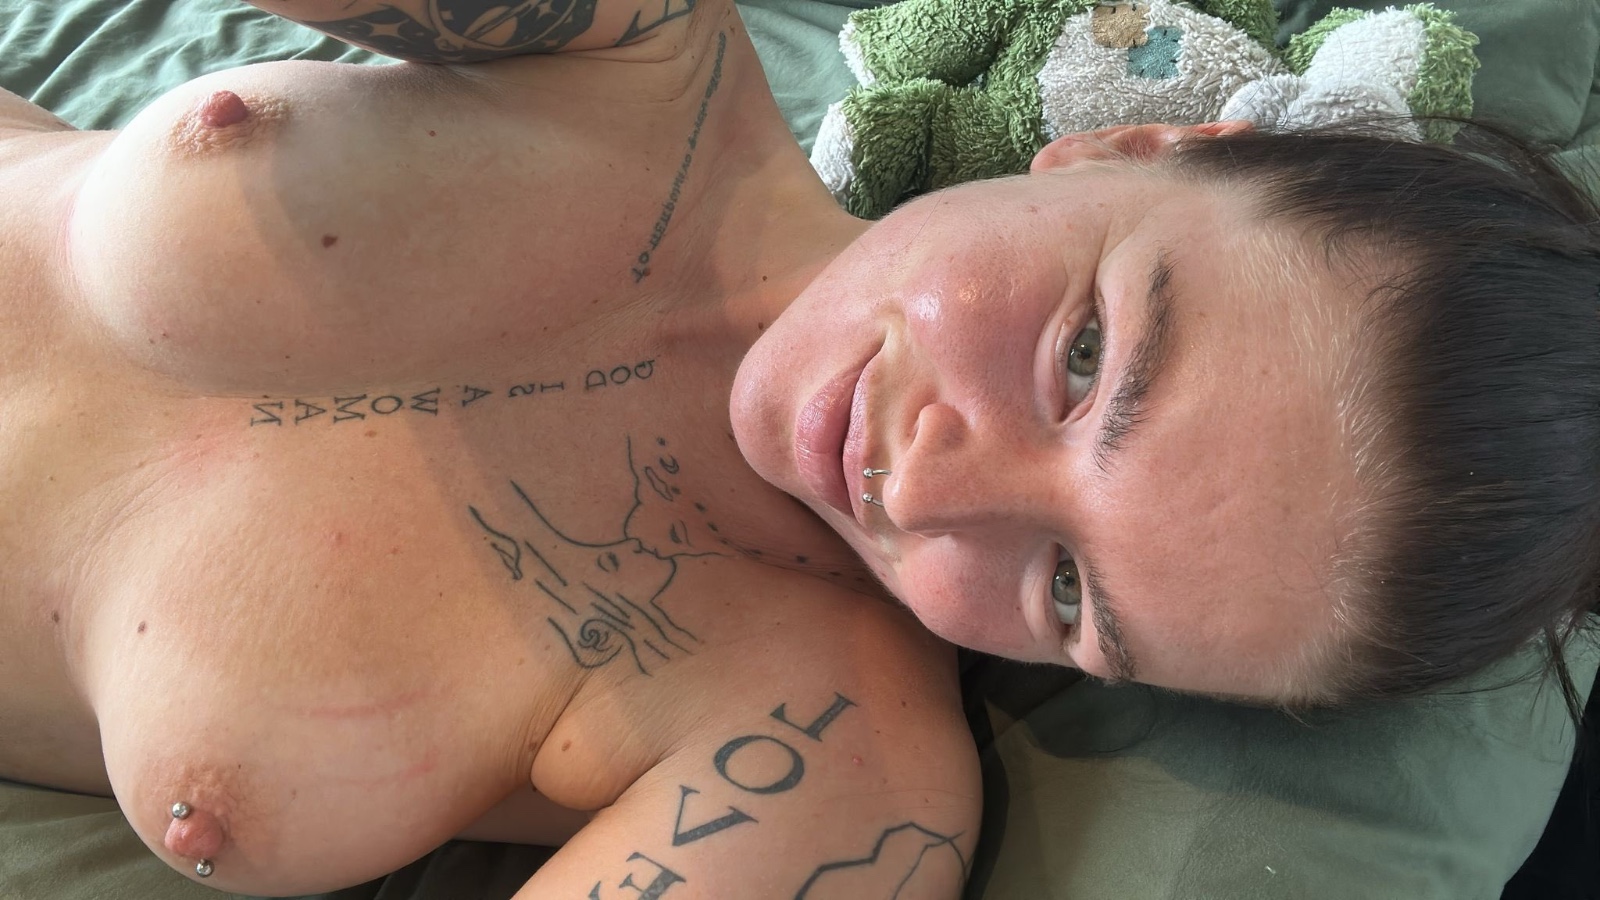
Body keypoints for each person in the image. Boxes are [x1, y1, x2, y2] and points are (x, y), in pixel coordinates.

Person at [1, 0, 1596, 896]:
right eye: (1084, 356)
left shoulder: (827, 780)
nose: (936, 492)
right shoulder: (637, 49)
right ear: (1131, 142)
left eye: (1064, 592)